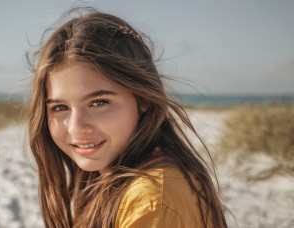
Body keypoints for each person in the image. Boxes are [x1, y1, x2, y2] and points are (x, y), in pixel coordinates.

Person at [27, 8, 227, 228]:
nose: (76, 127)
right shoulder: (112, 178)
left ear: (143, 99)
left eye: (98, 103)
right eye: (60, 107)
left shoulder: (153, 201)